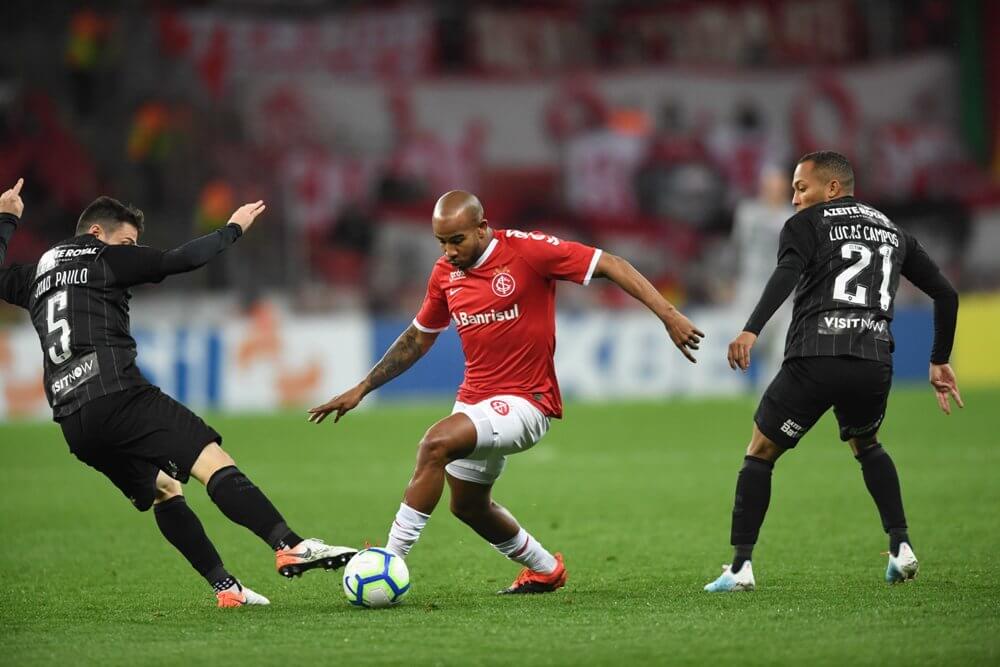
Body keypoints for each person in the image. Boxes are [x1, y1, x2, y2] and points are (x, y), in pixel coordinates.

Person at [308, 190, 703, 594]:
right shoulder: (444, 274)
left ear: (482, 228)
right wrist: (363, 387)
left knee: (434, 444)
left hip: (528, 402)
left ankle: (390, 559)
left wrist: (668, 315)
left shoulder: (528, 251)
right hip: (476, 399)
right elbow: (417, 338)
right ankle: (545, 569)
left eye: (457, 240)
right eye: (441, 242)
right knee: (468, 506)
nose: (449, 251)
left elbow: (611, 264)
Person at [0, 179, 355, 608]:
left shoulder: (36, 273)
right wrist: (232, 229)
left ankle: (227, 590)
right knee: (212, 460)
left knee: (165, 488)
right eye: (127, 242)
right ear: (96, 232)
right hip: (119, 395)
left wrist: (7, 219)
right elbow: (180, 260)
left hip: (73, 421)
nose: (132, 250)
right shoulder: (103, 257)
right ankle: (290, 544)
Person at [703, 152, 962, 592]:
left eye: (801, 188)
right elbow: (946, 294)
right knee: (867, 444)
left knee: (760, 451)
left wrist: (751, 329)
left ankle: (740, 568)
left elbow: (786, 274)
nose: (795, 198)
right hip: (874, 361)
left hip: (816, 356)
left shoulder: (805, 224)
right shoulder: (892, 230)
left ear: (832, 188)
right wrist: (939, 359)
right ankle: (901, 547)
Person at [731, 164, 795, 389]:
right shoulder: (747, 213)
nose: (773, 190)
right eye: (769, 185)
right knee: (749, 343)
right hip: (751, 288)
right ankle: (749, 385)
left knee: (779, 350)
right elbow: (738, 248)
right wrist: (730, 279)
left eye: (777, 185)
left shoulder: (794, 217)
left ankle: (768, 397)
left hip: (784, 293)